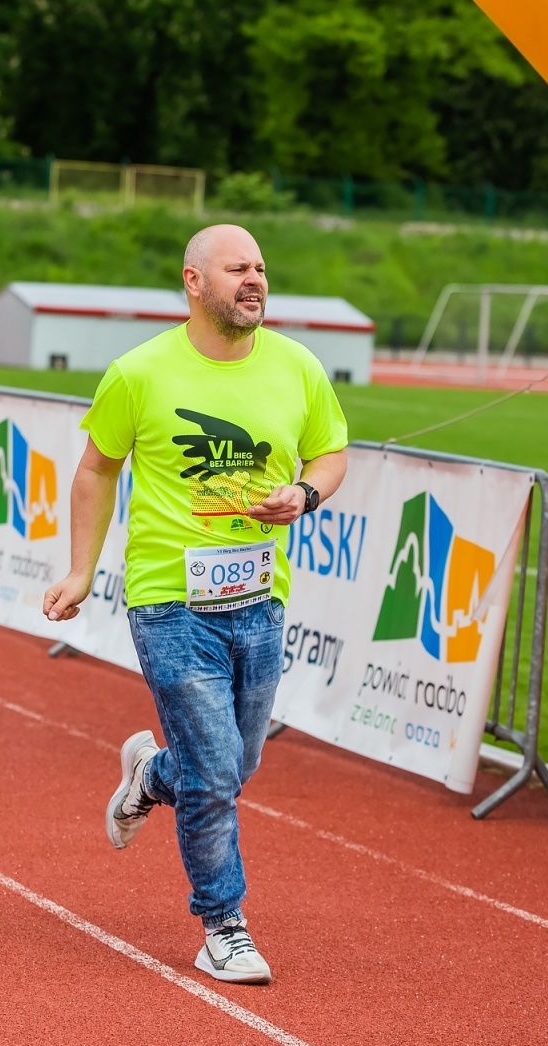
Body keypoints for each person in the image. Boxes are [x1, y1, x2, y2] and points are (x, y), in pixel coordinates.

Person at [42, 224, 348, 984]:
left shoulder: (298, 367)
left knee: (232, 766)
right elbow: (94, 470)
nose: (255, 279)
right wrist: (81, 572)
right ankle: (223, 924)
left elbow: (332, 452)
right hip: (170, 601)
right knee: (216, 777)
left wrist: (305, 493)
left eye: (261, 268)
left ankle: (150, 776)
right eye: (236, 268)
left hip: (260, 600)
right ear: (193, 281)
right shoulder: (139, 374)